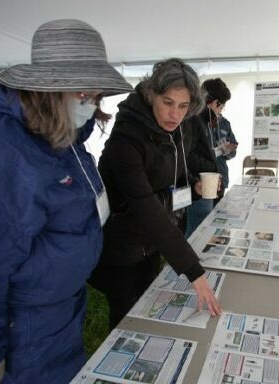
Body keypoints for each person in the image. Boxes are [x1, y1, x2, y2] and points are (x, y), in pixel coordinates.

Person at [0, 19, 132, 384]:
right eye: (84, 95)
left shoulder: (60, 136)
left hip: (58, 312)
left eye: (96, 96)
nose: (91, 104)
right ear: (50, 90)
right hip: (24, 328)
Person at [89, 58, 222, 329]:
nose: (175, 114)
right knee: (126, 318)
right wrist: (193, 271)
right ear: (152, 96)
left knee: (149, 311)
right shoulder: (126, 138)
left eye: (183, 106)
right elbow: (147, 207)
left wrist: (195, 188)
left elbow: (172, 181)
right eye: (168, 103)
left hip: (153, 243)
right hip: (122, 245)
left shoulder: (179, 130)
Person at [184, 78, 238, 236]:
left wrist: (227, 151)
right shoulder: (193, 119)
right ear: (216, 103)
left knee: (210, 226)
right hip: (200, 182)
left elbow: (232, 146)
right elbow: (189, 156)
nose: (220, 111)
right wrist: (216, 154)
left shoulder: (223, 123)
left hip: (215, 180)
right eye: (221, 106)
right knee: (197, 230)